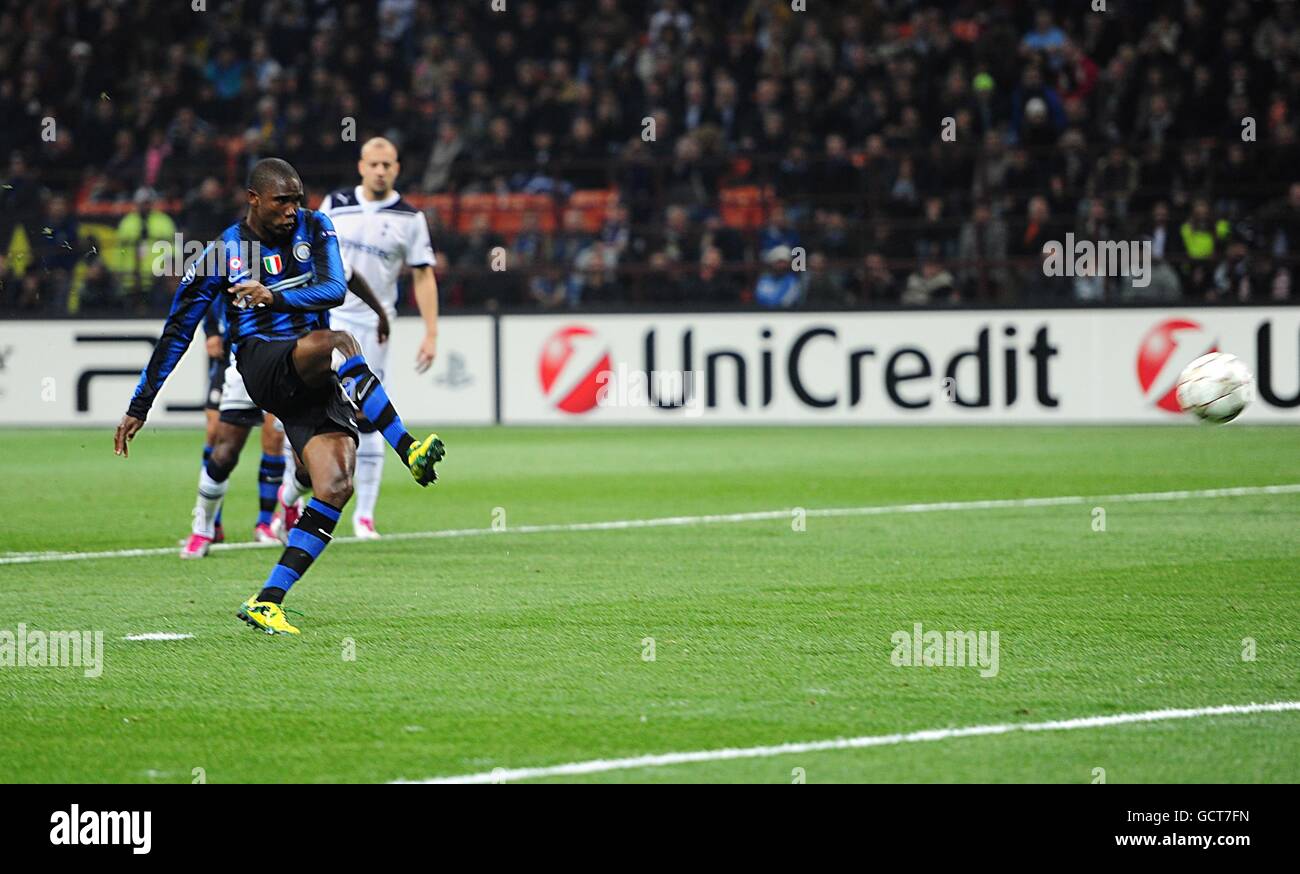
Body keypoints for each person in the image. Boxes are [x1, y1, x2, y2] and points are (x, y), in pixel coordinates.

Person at [114, 158, 445, 636]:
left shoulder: (317, 226)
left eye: (297, 199)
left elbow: (333, 289)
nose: (293, 210)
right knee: (338, 346)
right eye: (282, 201)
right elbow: (176, 332)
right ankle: (407, 446)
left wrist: (274, 295)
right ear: (254, 199)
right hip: (262, 363)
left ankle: (266, 600)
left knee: (334, 485)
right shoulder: (223, 251)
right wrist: (139, 406)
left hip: (309, 373)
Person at [282, 137, 439, 540]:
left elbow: (423, 274)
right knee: (307, 408)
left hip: (373, 327)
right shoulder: (334, 204)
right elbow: (308, 251)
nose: (381, 170)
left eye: (388, 164)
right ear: (361, 166)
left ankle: (364, 515)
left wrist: (431, 332)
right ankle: (291, 497)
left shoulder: (410, 218)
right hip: (326, 320)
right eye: (374, 164)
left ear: (397, 169)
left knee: (368, 417)